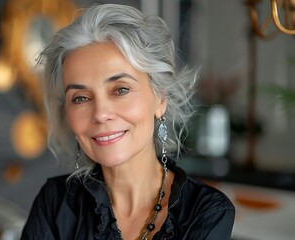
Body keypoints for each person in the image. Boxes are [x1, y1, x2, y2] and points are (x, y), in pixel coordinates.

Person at [21, 3, 235, 240]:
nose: (101, 114)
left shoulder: (205, 212)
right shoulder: (54, 204)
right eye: (80, 98)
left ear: (160, 98)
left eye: (120, 90)